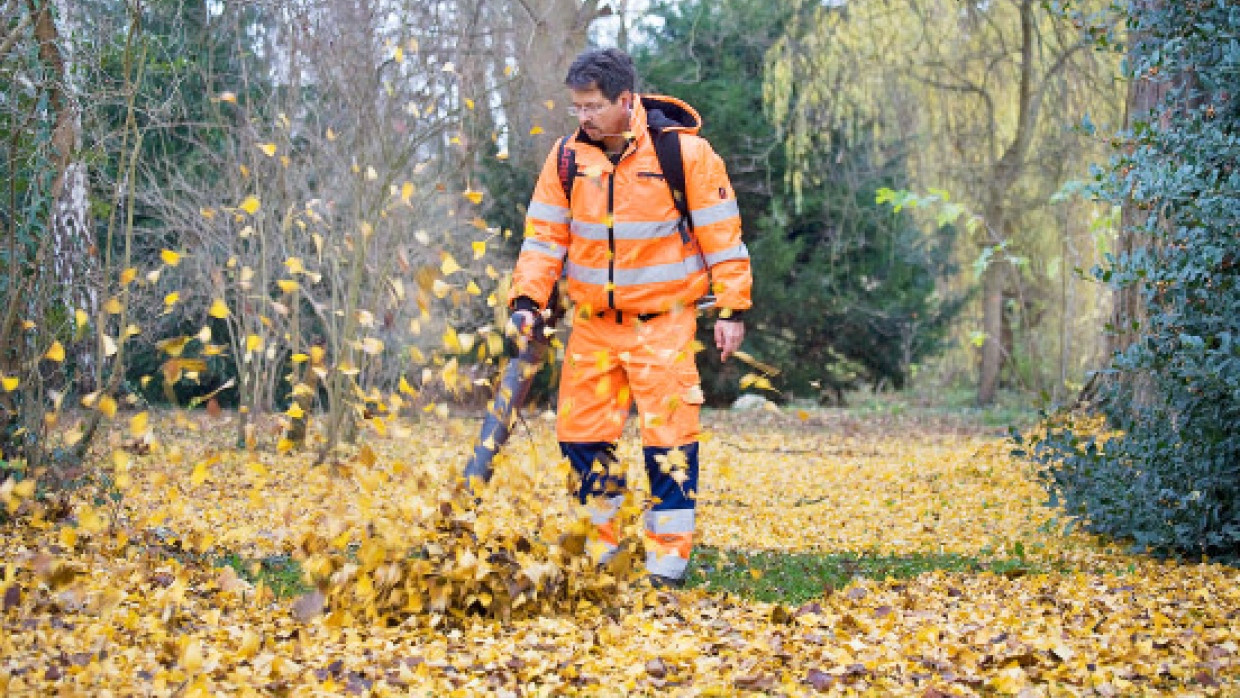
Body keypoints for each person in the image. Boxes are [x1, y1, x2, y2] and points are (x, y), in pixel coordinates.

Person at [508, 48, 752, 588]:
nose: (583, 117)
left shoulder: (683, 153)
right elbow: (545, 237)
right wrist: (527, 299)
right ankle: (603, 550)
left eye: (592, 106)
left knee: (670, 443)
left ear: (625, 100)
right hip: (593, 324)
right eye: (576, 107)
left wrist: (732, 308)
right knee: (578, 437)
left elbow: (723, 236)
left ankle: (667, 564)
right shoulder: (567, 158)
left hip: (663, 323)